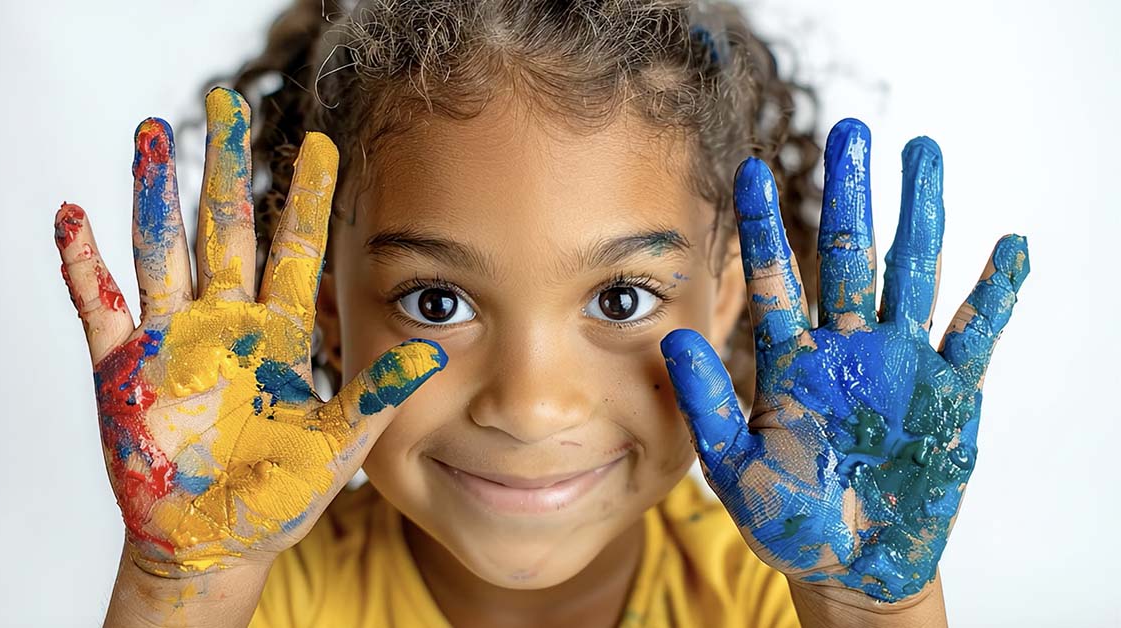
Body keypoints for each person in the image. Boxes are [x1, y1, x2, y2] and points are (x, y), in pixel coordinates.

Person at [52, 1, 1029, 626]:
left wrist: (869, 611)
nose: (530, 404)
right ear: (326, 312)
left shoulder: (776, 596)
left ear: (727, 292)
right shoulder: (257, 591)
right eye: (437, 301)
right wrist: (178, 593)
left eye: (620, 297)